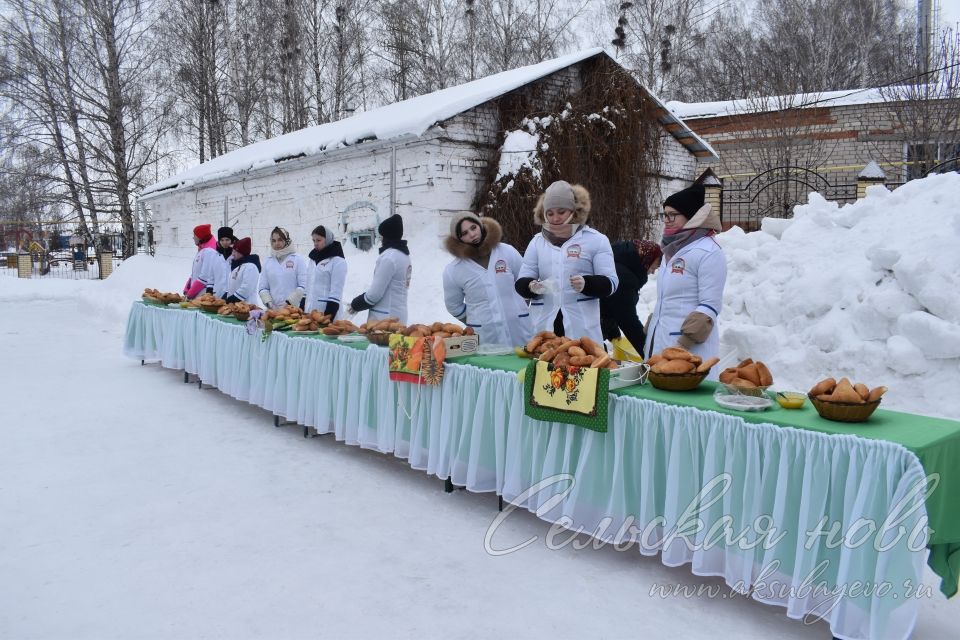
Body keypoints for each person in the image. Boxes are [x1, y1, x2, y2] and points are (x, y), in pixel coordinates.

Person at [515, 180, 618, 344]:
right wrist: (531, 286)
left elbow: (611, 283)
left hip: (582, 331)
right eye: (550, 213)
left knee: (582, 367)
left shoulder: (596, 240)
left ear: (573, 211)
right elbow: (521, 281)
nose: (555, 218)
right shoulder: (537, 242)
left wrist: (587, 284)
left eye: (561, 212)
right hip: (543, 330)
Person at [644, 183, 726, 367]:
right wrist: (650, 329)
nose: (666, 219)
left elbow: (709, 306)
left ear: (690, 216)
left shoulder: (708, 251)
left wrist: (683, 345)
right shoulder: (670, 249)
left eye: (672, 214)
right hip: (660, 343)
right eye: (664, 214)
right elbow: (667, 298)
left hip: (689, 350)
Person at [442, 214, 533, 347]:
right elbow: (453, 305)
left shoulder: (507, 252)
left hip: (520, 330)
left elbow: (525, 281)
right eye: (465, 233)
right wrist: (478, 320)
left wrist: (519, 308)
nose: (472, 234)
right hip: (486, 337)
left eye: (474, 227)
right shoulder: (453, 270)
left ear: (481, 226)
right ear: (458, 239)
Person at [600, 240, 661, 358]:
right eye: (654, 266)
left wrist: (613, 332)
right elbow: (628, 321)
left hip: (585, 325)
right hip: (584, 331)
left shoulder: (619, 264)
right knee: (588, 372)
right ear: (647, 259)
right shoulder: (624, 278)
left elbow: (610, 304)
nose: (653, 272)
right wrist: (649, 354)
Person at [347, 214, 411, 323]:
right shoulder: (404, 256)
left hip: (384, 318)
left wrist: (355, 304)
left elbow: (374, 294)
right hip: (398, 314)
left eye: (381, 236)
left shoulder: (389, 258)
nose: (380, 239)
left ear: (387, 236)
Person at [258, 226, 309, 309]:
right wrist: (269, 303)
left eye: (280, 240)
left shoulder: (297, 259)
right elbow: (263, 288)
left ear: (286, 240)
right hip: (273, 311)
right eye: (273, 241)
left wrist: (289, 303)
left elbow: (303, 286)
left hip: (293, 311)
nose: (277, 243)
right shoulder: (268, 261)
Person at [306, 225, 347, 319]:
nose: (315, 243)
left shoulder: (337, 260)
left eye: (318, 240)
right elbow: (308, 285)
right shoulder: (312, 259)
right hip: (310, 312)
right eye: (313, 240)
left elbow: (336, 291)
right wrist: (303, 306)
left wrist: (329, 316)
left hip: (327, 312)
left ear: (327, 239)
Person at [183, 224, 222, 300]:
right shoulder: (202, 250)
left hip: (203, 294)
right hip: (196, 293)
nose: (193, 237)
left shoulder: (209, 252)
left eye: (194, 235)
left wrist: (190, 294)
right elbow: (195, 273)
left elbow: (204, 277)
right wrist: (187, 289)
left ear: (200, 237)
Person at [224, 237, 260, 305]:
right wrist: (226, 295)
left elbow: (246, 288)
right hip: (235, 307)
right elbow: (232, 285)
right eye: (232, 251)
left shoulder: (251, 267)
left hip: (247, 307)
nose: (232, 254)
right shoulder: (237, 265)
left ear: (242, 253)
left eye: (235, 251)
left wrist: (232, 299)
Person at [213, 226, 236, 298]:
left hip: (232, 295)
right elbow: (211, 275)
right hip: (217, 293)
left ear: (231, 240)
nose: (224, 242)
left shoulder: (236, 255)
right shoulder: (215, 255)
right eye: (222, 240)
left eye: (227, 240)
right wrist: (210, 290)